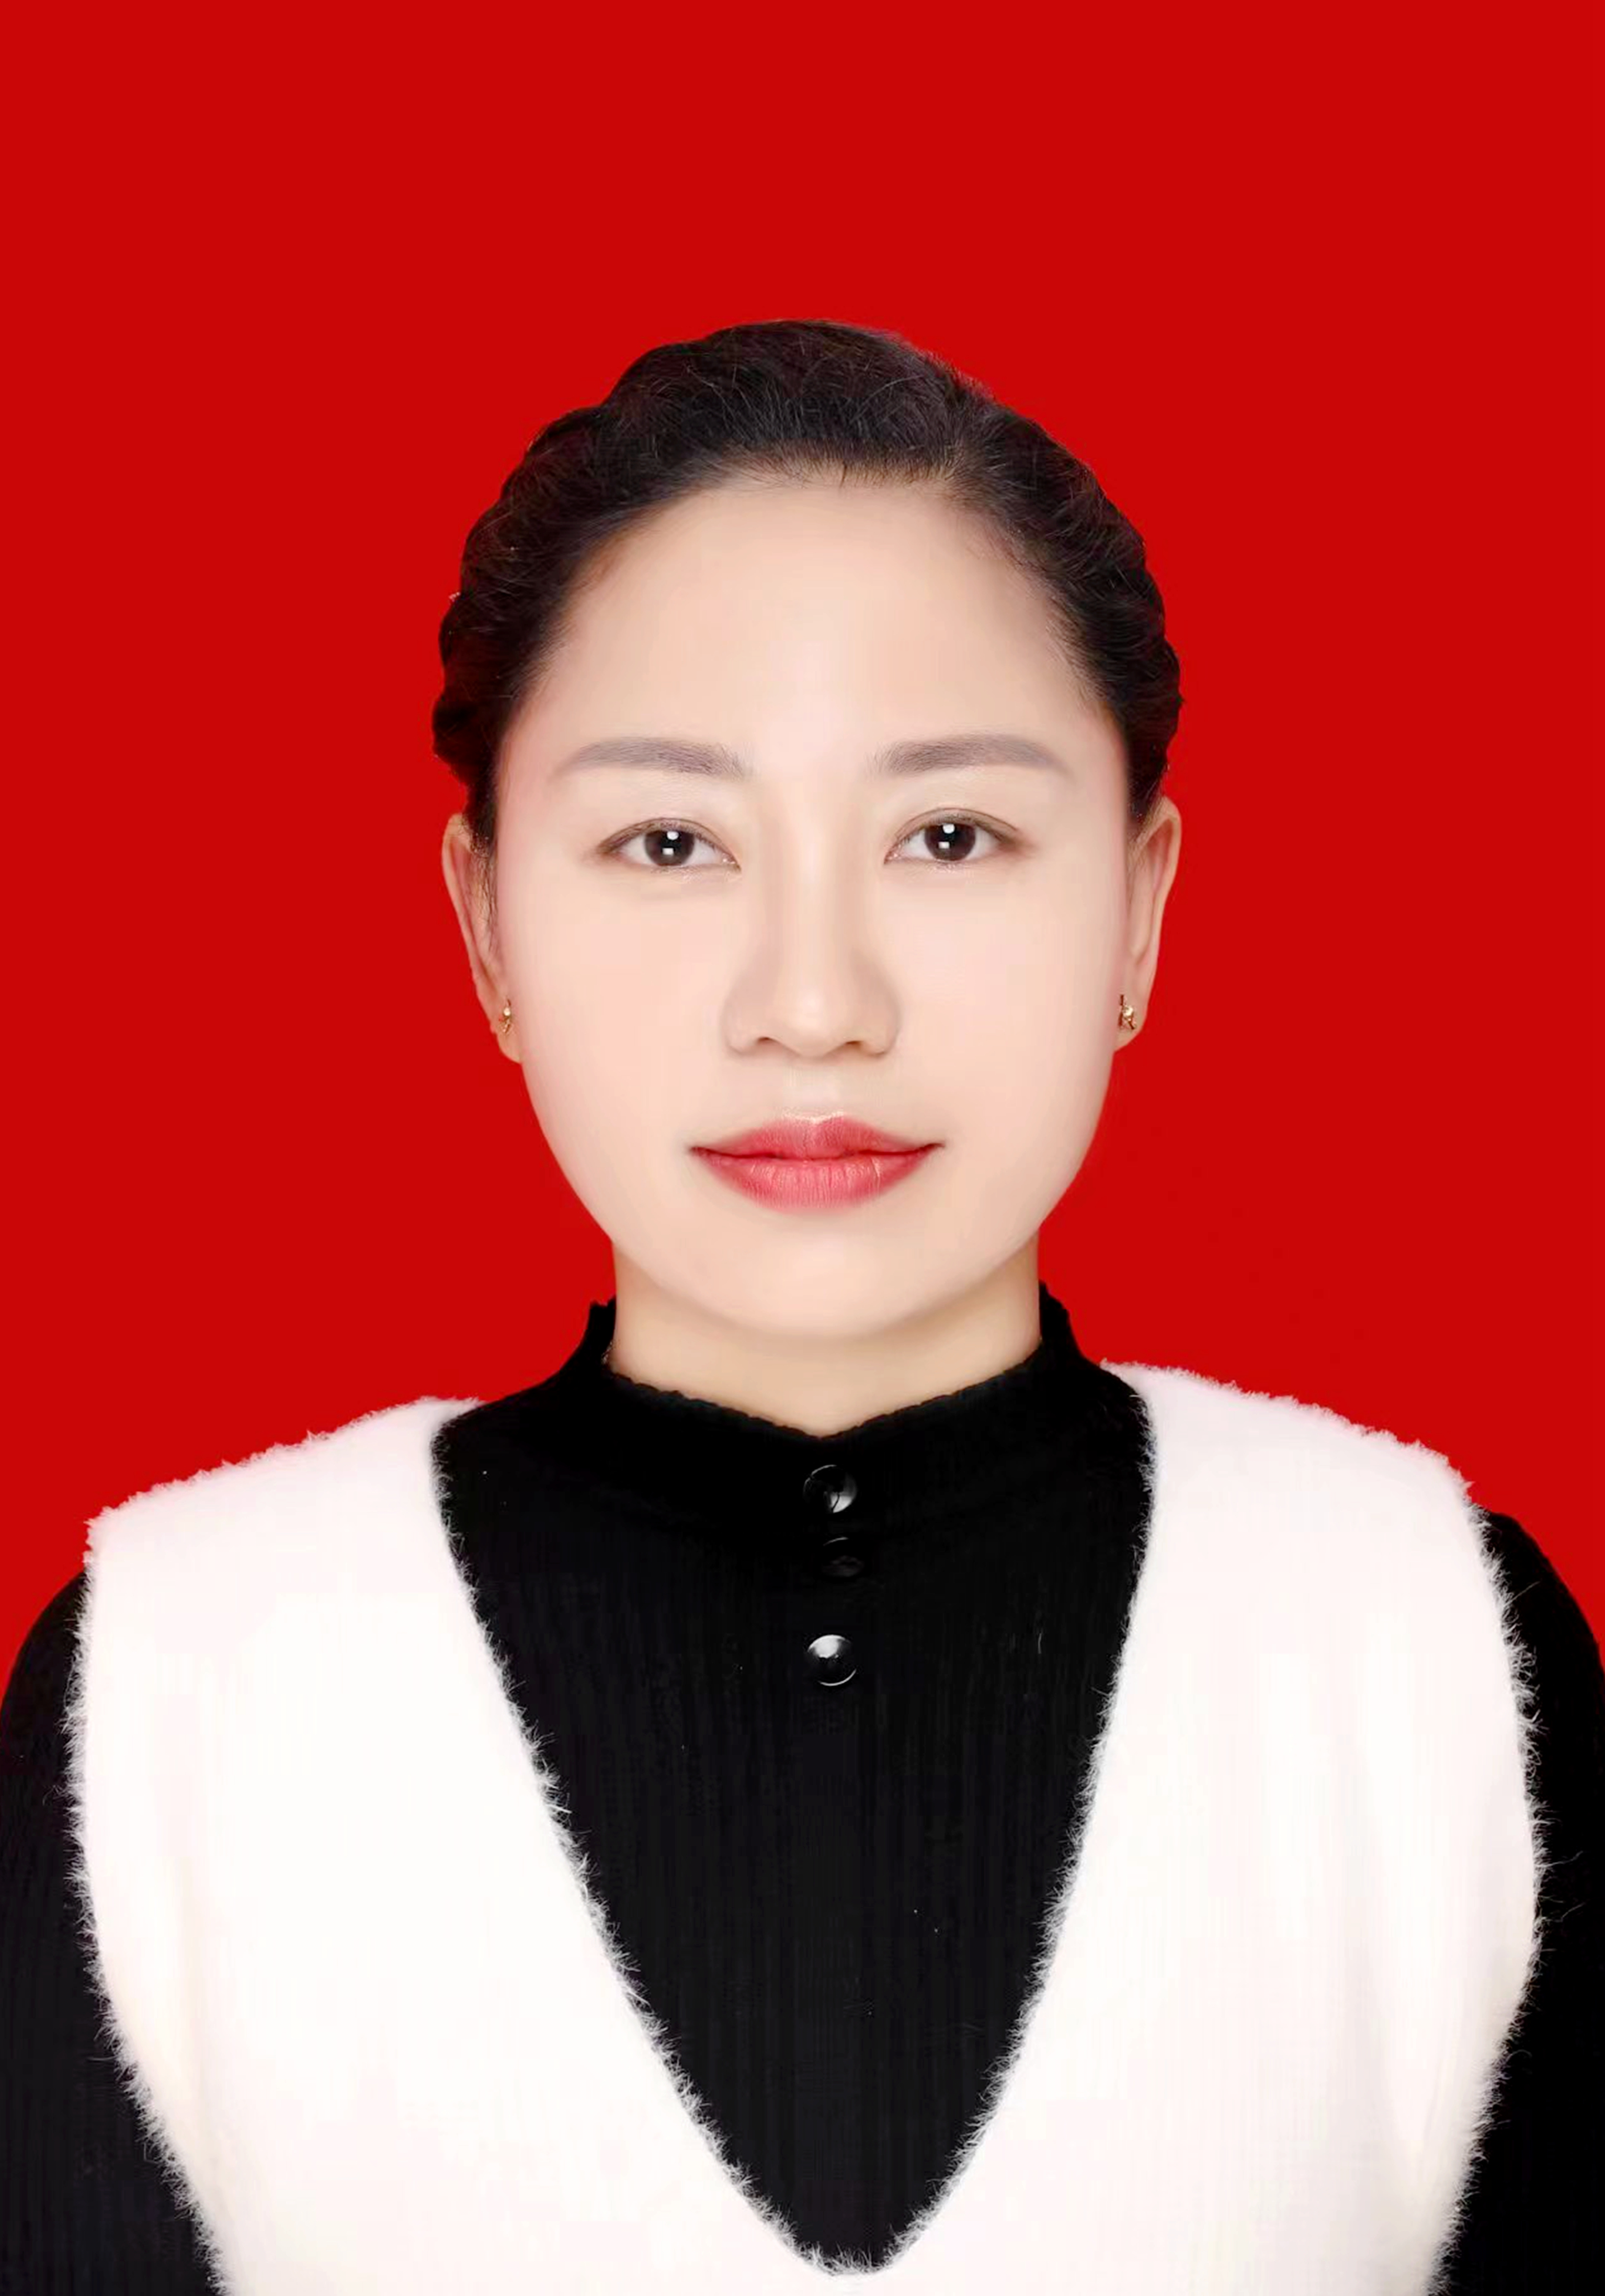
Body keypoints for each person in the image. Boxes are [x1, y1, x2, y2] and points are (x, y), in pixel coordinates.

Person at [2, 318, 1599, 2294]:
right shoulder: (168, 1685)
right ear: (487, 923)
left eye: (951, 836)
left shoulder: (1438, 1653)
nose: (816, 1002)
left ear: (1140, 905)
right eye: (670, 843)